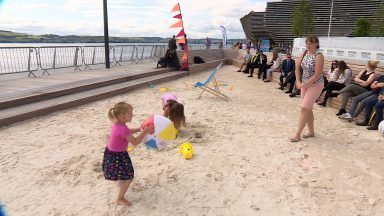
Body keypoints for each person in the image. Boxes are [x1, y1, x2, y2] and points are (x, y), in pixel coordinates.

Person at [102, 102, 153, 206]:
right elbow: (134, 142)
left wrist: (139, 129)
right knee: (129, 177)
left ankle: (121, 182)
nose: (132, 115)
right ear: (123, 116)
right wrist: (145, 132)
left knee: (123, 174)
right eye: (130, 113)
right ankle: (120, 198)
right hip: (118, 157)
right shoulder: (123, 129)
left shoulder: (118, 124)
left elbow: (127, 132)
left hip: (112, 154)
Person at [290, 36, 324, 142]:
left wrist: (303, 85)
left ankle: (297, 134)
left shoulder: (319, 55)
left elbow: (317, 75)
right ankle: (311, 131)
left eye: (310, 43)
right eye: (307, 43)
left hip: (316, 84)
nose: (308, 45)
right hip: (304, 84)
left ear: (316, 44)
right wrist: (298, 81)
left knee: (304, 108)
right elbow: (297, 68)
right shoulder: (305, 52)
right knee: (308, 109)